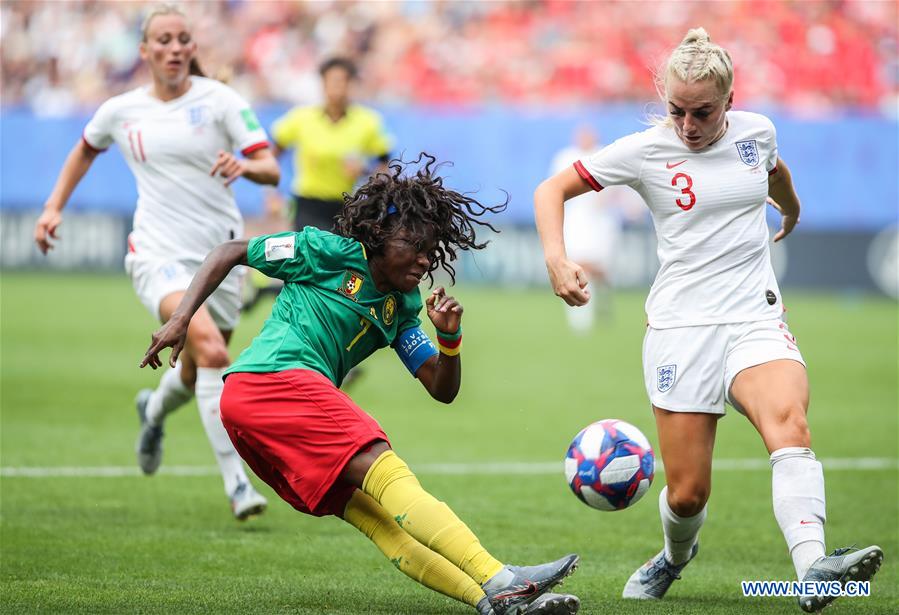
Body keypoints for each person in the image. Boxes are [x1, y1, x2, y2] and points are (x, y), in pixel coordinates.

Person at [534, 28, 882, 613]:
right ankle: (673, 556)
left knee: (789, 425)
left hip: (754, 317)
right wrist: (556, 258)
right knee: (689, 493)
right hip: (680, 330)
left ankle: (813, 568)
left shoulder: (757, 131)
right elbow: (553, 189)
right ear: (663, 101)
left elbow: (774, 172)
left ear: (729, 100)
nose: (689, 125)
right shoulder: (644, 150)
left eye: (703, 112)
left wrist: (791, 210)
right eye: (677, 111)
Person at [140, 154, 581, 615]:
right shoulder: (326, 252)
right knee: (386, 469)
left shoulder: (402, 308)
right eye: (416, 245)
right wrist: (180, 318)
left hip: (252, 414)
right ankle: (502, 578)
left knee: (382, 522)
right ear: (381, 236)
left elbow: (440, 387)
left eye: (432, 250)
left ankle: (492, 601)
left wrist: (448, 339)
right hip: (272, 382)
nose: (426, 258)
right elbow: (228, 252)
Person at [33, 4, 280, 521]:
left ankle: (153, 410)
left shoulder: (222, 101)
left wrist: (246, 167)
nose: (173, 48)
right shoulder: (122, 110)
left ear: (193, 48)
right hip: (156, 253)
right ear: (143, 51)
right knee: (212, 352)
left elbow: (271, 167)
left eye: (182, 39)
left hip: (220, 258)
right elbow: (85, 148)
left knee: (194, 372)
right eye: (162, 40)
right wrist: (53, 207)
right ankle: (238, 486)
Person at [271, 56, 392, 232]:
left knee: (339, 257)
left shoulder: (368, 122)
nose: (337, 87)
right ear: (322, 83)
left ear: (351, 84)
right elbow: (271, 155)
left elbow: (384, 165)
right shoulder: (301, 118)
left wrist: (365, 171)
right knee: (309, 255)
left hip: (347, 206)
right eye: (331, 81)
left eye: (342, 81)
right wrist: (272, 193)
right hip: (307, 203)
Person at [548, 124, 623, 331]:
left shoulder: (604, 154)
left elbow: (616, 190)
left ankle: (601, 302)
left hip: (601, 222)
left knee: (599, 270)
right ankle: (580, 316)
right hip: (577, 221)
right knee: (579, 265)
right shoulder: (566, 158)